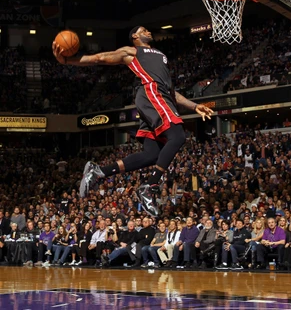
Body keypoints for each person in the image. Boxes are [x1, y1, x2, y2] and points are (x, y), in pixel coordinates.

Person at [52, 26, 214, 217]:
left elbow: (171, 92)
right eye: (143, 29)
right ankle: (150, 186)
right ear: (135, 36)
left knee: (152, 154)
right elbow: (99, 58)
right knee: (177, 136)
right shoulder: (133, 51)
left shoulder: (160, 56)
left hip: (159, 95)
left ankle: (99, 172)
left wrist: (194, 106)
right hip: (151, 94)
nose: (149, 31)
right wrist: (67, 60)